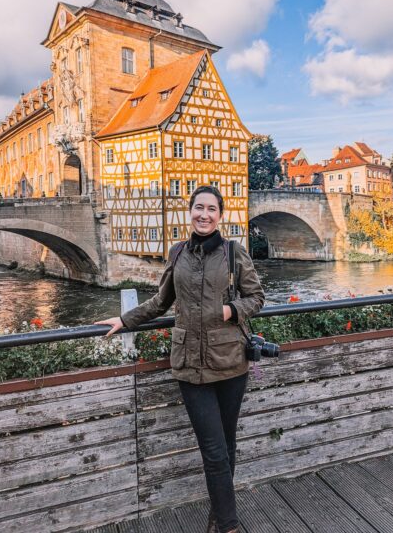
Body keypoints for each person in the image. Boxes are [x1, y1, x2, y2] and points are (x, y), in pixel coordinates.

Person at [95, 185, 265, 533]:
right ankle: (229, 526)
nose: (204, 214)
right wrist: (125, 319)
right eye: (198, 208)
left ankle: (218, 518)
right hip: (189, 365)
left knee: (227, 447)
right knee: (215, 451)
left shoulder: (235, 253)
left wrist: (230, 309)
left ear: (221, 215)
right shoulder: (177, 253)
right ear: (190, 212)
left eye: (211, 209)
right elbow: (160, 302)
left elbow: (257, 298)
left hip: (231, 362)